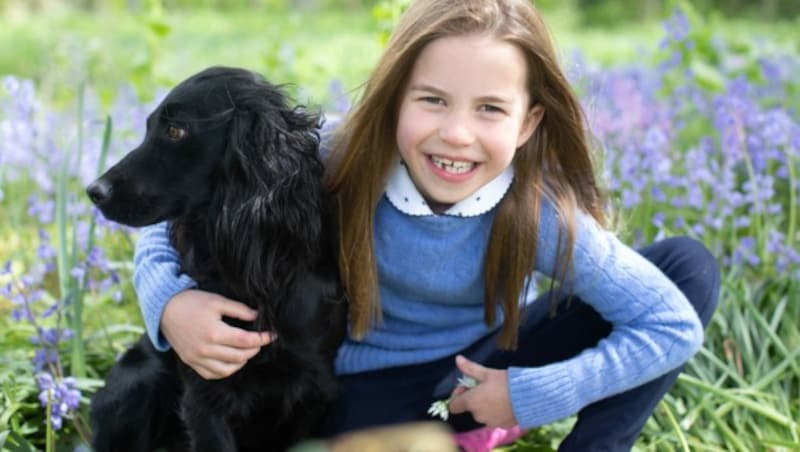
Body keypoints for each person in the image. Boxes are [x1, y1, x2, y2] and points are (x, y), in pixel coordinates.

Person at [132, 0, 721, 450]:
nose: (457, 134)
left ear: (527, 122)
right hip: (365, 385)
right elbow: (179, 198)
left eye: (489, 108)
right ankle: (460, 431)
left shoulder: (535, 209)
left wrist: (531, 394)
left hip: (487, 364)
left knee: (685, 268)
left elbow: (671, 324)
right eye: (433, 100)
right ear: (394, 102)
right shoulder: (339, 155)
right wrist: (169, 305)